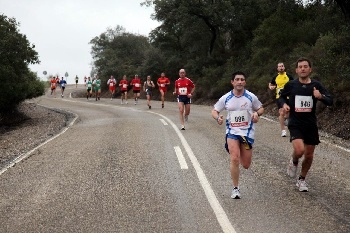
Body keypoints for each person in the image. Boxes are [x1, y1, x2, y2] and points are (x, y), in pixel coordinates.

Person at [280, 57, 333, 192]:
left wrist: (320, 96)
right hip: (295, 123)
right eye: (300, 67)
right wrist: (284, 104)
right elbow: (280, 97)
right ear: (297, 70)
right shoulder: (291, 85)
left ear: (310, 69)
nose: (303, 69)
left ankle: (302, 180)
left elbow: (330, 100)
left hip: (310, 124)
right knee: (299, 150)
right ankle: (294, 160)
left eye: (305, 66)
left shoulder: (316, 85)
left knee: (309, 155)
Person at [211, 71, 264, 199]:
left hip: (246, 134)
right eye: (237, 79)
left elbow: (260, 108)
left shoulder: (251, 97)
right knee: (234, 158)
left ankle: (241, 152)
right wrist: (217, 118)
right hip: (232, 132)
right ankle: (235, 188)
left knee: (246, 164)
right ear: (232, 82)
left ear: (245, 82)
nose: (240, 82)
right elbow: (214, 110)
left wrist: (257, 114)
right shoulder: (226, 98)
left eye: (242, 79)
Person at [269, 62, 294, 137]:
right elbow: (271, 83)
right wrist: (271, 87)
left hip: (289, 97)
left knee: (288, 113)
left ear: (284, 67)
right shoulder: (275, 77)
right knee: (282, 112)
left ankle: (285, 119)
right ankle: (283, 130)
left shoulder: (289, 76)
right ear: (277, 68)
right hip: (279, 97)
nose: (281, 68)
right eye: (279, 66)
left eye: (282, 66)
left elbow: (294, 84)